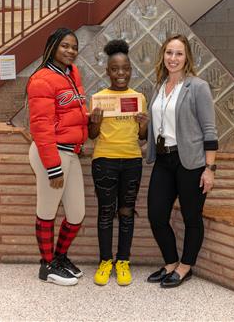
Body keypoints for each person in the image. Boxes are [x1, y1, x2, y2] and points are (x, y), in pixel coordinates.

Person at [145, 34, 218, 288]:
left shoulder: (197, 86)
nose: (172, 58)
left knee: (191, 217)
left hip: (191, 162)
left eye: (178, 53)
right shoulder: (158, 86)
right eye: (168, 53)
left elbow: (210, 130)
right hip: (163, 160)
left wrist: (209, 169)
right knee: (156, 215)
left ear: (186, 57)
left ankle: (185, 266)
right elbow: (157, 125)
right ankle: (170, 262)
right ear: (162, 55)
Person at [27, 28, 88, 286]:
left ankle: (60, 256)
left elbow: (73, 113)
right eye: (65, 45)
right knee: (47, 211)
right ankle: (47, 265)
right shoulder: (41, 79)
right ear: (52, 46)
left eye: (74, 47)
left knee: (76, 213)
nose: (70, 51)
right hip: (49, 154)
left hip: (70, 153)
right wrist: (53, 167)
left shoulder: (72, 73)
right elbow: (41, 126)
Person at [88, 39, 148, 286]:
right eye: (115, 69)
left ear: (131, 70)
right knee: (105, 212)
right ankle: (105, 261)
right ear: (108, 71)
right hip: (104, 161)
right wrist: (95, 122)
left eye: (125, 68)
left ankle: (123, 261)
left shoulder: (139, 97)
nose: (120, 73)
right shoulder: (98, 98)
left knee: (126, 212)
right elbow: (92, 135)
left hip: (132, 161)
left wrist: (144, 125)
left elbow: (142, 137)